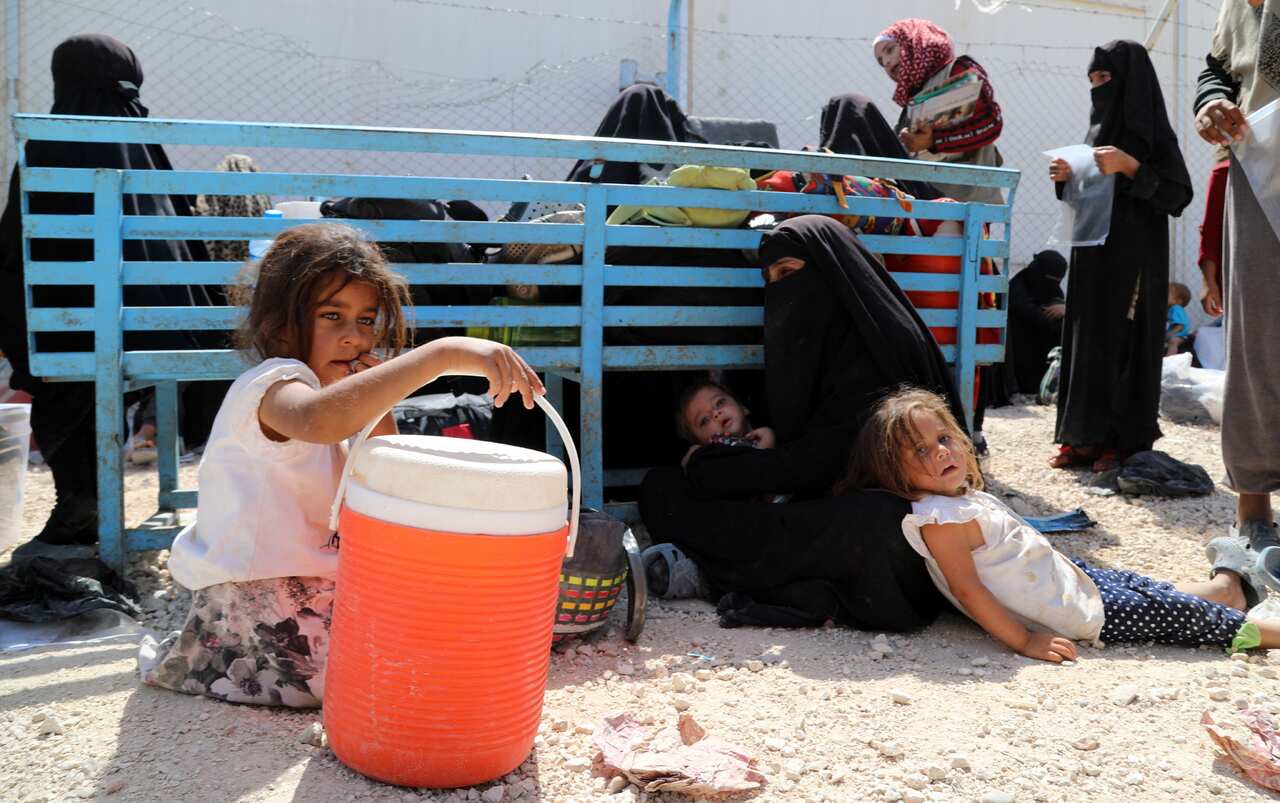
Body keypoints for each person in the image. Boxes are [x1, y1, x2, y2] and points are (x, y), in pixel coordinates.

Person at [138, 223, 543, 707]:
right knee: (409, 669)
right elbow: (316, 420)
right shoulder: (275, 385)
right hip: (257, 604)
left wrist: (379, 407)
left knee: (462, 620)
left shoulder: (332, 401)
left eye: (367, 321)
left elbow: (386, 474)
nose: (354, 338)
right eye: (333, 317)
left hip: (321, 590)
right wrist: (441, 355)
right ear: (282, 327)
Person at [638, 216, 962, 630]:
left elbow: (821, 462)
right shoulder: (836, 340)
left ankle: (714, 572)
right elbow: (809, 453)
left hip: (896, 528)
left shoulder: (878, 348)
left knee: (865, 521)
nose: (781, 290)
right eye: (771, 279)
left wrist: (713, 467)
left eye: (789, 273)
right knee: (664, 487)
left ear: (832, 269)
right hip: (833, 504)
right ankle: (730, 569)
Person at [840, 387, 1269, 662]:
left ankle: (1228, 589)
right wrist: (1023, 641)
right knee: (1175, 615)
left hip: (1070, 581)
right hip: (1076, 612)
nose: (940, 453)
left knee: (1145, 587)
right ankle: (1259, 627)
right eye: (919, 451)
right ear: (892, 471)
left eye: (943, 438)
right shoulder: (940, 519)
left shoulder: (958, 498)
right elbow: (968, 591)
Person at [0, 34, 220, 545]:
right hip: (165, 335)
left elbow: (14, 258)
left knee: (51, 328)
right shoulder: (147, 145)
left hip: (78, 343)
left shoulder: (46, 142)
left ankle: (80, 499)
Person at [1047, 40, 1193, 473]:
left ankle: (1123, 441)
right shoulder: (1094, 137)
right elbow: (1084, 199)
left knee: (1124, 341)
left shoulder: (1155, 137)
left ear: (1130, 83)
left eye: (1106, 79)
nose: (1098, 89)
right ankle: (1083, 437)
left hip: (1134, 261)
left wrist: (1132, 167)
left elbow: (1178, 195)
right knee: (1087, 339)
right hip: (1093, 259)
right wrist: (1066, 178)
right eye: (1092, 81)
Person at [1194, 0, 1280, 580]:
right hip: (1260, 163)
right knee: (1256, 335)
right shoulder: (1232, 9)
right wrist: (1211, 105)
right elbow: (1218, 69)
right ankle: (1253, 503)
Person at [873, 18, 1004, 204]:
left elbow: (991, 122)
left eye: (889, 49)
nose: (886, 62)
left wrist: (935, 140)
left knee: (853, 104)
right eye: (880, 62)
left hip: (964, 201)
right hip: (923, 196)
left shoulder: (957, 70)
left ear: (914, 41)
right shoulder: (914, 99)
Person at [1007, 250, 1067, 394]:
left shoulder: (1049, 287)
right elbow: (1034, 316)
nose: (1054, 284)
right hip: (1020, 353)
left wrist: (1065, 310)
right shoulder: (1017, 288)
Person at [194, 153, 273, 263]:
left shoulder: (217, 188)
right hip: (252, 259)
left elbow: (205, 214)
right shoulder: (261, 196)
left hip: (224, 254)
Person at [676, 379, 775, 453]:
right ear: (700, 444)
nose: (716, 413)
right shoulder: (712, 464)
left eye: (719, 403)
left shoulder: (776, 437)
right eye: (705, 420)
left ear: (743, 407)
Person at [1165, 282, 1193, 356]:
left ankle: (1169, 358)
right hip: (1175, 332)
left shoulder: (1176, 309)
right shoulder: (1171, 308)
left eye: (1168, 294)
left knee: (1173, 342)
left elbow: (1180, 326)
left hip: (1180, 334)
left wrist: (1170, 333)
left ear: (1177, 300)